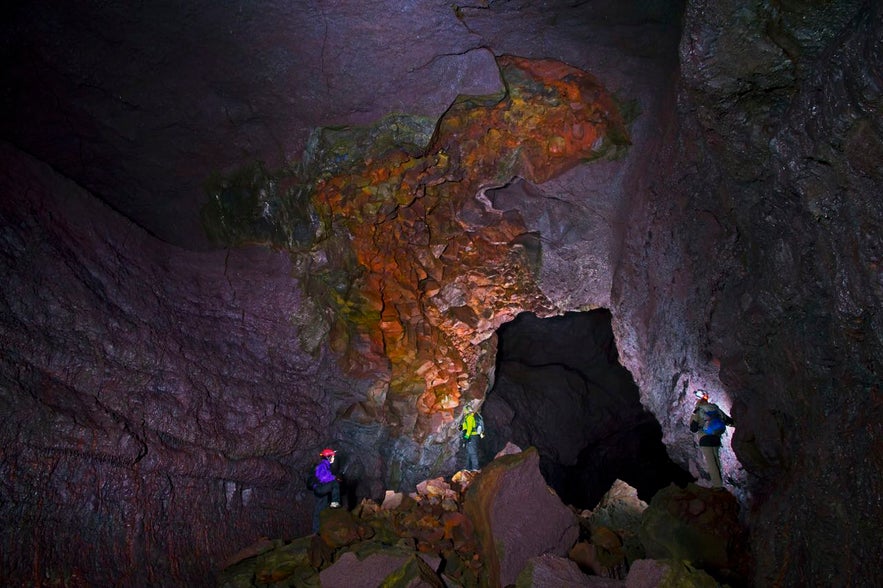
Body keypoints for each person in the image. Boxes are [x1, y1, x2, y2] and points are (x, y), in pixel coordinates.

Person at [689, 390, 734, 488]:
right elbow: (727, 420)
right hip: (716, 436)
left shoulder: (697, 411)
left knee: (711, 462)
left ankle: (717, 486)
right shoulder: (715, 408)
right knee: (716, 459)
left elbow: (693, 428)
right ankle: (720, 483)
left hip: (705, 438)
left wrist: (695, 418)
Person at [311, 447, 341, 533]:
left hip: (319, 490)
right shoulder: (322, 465)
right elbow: (323, 477)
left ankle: (316, 531)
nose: (334, 458)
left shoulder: (325, 465)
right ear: (328, 457)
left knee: (320, 509)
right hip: (320, 488)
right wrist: (334, 478)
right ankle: (335, 502)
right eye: (332, 457)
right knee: (335, 483)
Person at [460, 404, 484, 471]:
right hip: (472, 436)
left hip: (472, 436)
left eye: (464, 410)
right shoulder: (469, 417)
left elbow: (469, 429)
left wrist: (466, 437)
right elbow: (467, 427)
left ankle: (475, 468)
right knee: (468, 452)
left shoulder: (470, 417)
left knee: (473, 452)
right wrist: (462, 427)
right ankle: (467, 468)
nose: (464, 412)